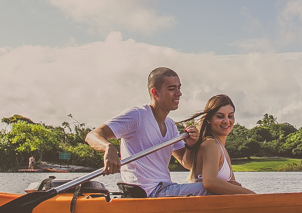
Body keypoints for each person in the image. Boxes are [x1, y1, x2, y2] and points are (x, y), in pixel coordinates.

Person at [85, 67, 207, 197]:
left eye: (179, 88)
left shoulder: (170, 125)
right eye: (172, 89)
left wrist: (191, 145)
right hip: (145, 192)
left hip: (165, 188)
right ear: (155, 92)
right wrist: (108, 147)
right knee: (210, 188)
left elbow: (187, 163)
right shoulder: (137, 116)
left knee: (216, 184)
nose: (179, 93)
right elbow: (92, 135)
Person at [183, 95, 255, 195]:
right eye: (220, 116)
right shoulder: (210, 145)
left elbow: (232, 184)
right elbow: (210, 183)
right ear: (208, 119)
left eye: (230, 116)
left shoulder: (221, 148)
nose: (226, 121)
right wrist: (250, 194)